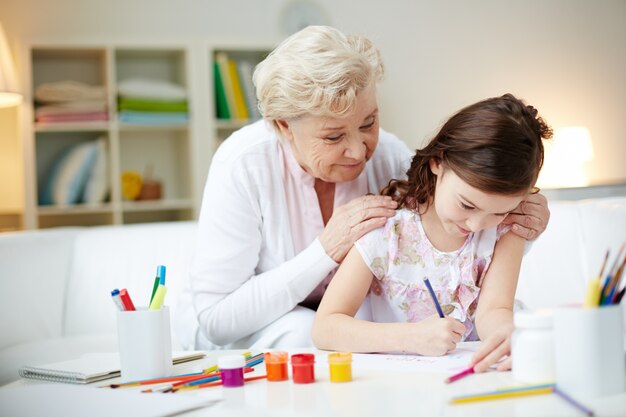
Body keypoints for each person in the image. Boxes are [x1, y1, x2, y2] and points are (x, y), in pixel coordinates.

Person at [175, 26, 551, 353]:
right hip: (247, 330)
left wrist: (521, 221)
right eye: (333, 135)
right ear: (283, 127)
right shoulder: (244, 163)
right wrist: (324, 251)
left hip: (345, 326)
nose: (359, 152)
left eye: (368, 122)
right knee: (301, 332)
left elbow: (455, 224)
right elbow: (217, 320)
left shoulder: (387, 154)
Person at [312, 93, 553, 372]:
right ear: (438, 162)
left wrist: (506, 334)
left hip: (478, 373)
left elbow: (494, 310)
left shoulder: (506, 229)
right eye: (467, 205)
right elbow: (326, 327)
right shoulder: (386, 230)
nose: (475, 225)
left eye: (497, 211)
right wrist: (410, 337)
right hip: (404, 380)